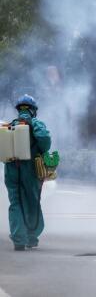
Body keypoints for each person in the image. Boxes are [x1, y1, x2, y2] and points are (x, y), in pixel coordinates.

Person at [4, 94, 51, 251]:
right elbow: (44, 139)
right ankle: (31, 237)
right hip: (30, 170)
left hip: (11, 169)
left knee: (16, 202)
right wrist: (41, 149)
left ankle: (18, 239)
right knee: (32, 202)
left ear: (18, 109)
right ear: (33, 110)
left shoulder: (10, 125)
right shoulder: (35, 123)